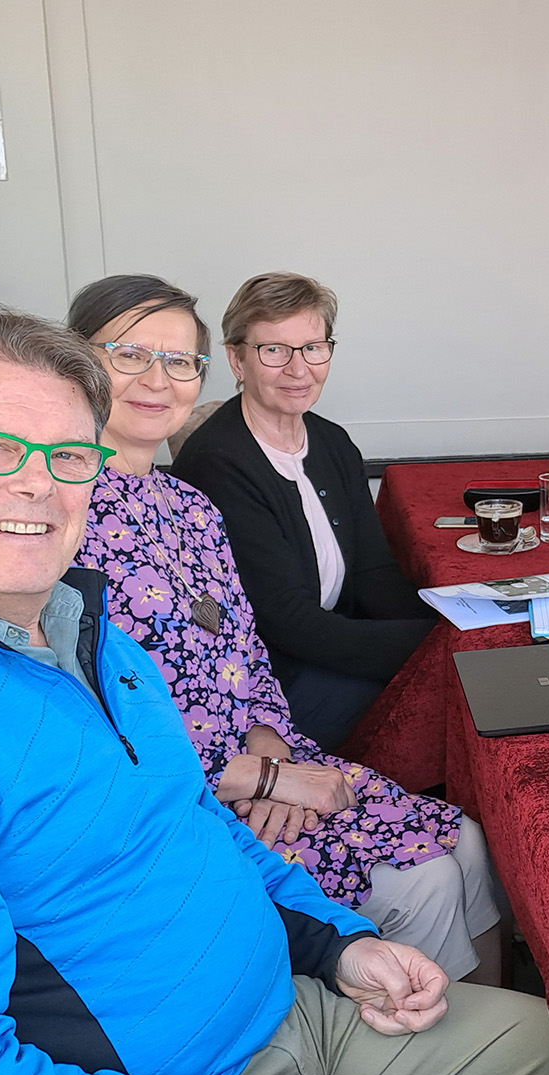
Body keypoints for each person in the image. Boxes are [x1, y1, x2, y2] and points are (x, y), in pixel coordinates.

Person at [0, 309, 549, 1075]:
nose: (37, 483)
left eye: (68, 456)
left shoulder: (89, 632)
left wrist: (338, 945)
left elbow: (197, 824)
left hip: (300, 1006)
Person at [65, 275, 502, 982]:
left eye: (178, 361)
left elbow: (248, 651)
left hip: (264, 755)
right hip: (185, 804)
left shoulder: (188, 506)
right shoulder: (57, 517)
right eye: (129, 355)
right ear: (75, 364)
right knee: (424, 881)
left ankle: (490, 1028)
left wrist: (274, 748)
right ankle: (425, 1034)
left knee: (472, 842)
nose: (157, 379)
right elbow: (88, 728)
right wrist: (262, 778)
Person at [173, 272, 436, 750]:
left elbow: (374, 571)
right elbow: (288, 622)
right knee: (446, 703)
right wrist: (433, 648)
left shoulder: (332, 441)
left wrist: (441, 628)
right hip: (274, 685)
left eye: (313, 347)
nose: (299, 369)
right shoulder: (218, 463)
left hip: (335, 645)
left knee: (469, 678)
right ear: (237, 358)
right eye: (274, 350)